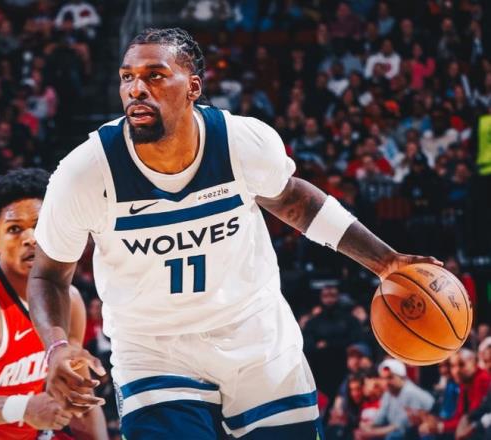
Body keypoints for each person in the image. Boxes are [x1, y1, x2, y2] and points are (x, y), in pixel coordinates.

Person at [27, 27, 441, 439]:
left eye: (155, 75)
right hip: (154, 350)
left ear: (193, 87)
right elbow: (48, 275)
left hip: (256, 337)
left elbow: (295, 201)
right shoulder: (84, 173)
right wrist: (57, 348)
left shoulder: (241, 141)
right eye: (127, 77)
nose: (136, 88)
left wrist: (386, 261)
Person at [0, 168, 108, 439]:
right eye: (14, 229)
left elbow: (80, 401)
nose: (30, 238)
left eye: (39, 224)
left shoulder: (70, 301)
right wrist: (22, 408)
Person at [418, 349, 491, 437]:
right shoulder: (464, 381)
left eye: (461, 365)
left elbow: (471, 417)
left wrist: (440, 427)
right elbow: (459, 415)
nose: (456, 371)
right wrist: (436, 422)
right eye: (452, 366)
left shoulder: (482, 378)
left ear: (474, 362)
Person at [358, 358, 434, 439]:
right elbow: (379, 418)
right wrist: (366, 426)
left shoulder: (411, 392)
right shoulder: (389, 393)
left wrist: (372, 433)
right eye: (383, 378)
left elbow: (400, 427)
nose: (386, 382)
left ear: (402, 376)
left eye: (390, 378)